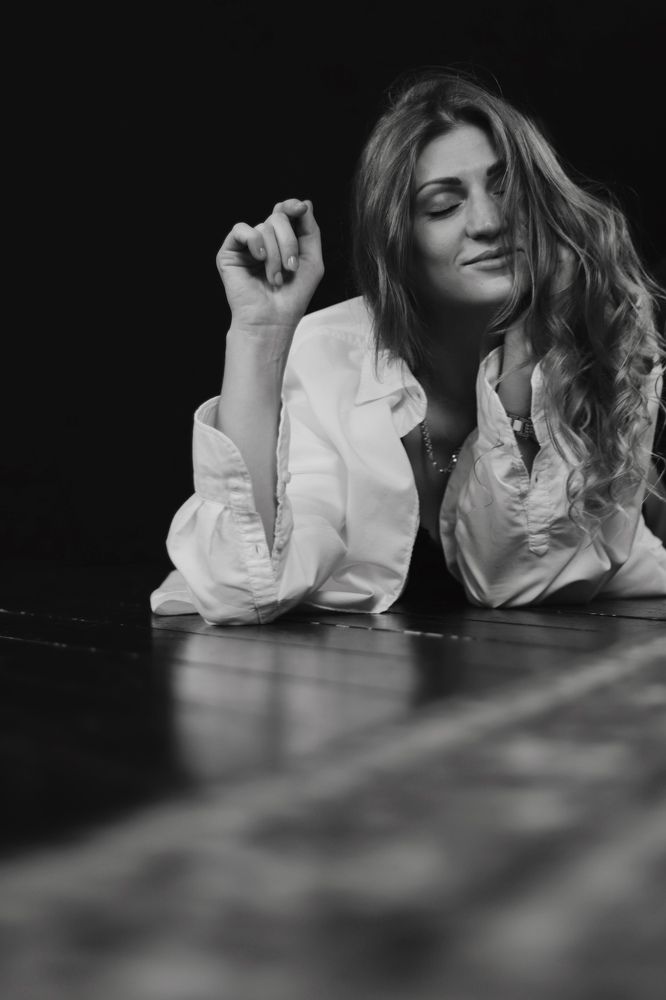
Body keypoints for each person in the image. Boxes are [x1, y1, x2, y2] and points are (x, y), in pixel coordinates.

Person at [150, 70, 666, 624]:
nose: (489, 222)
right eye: (443, 207)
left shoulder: (605, 340)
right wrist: (260, 332)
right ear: (397, 242)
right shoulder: (327, 362)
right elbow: (246, 587)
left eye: (507, 189)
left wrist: (523, 371)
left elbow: (518, 582)